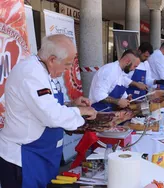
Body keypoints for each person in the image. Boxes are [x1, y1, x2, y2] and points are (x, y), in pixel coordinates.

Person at [0, 34, 97, 188]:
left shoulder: (44, 70)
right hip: (24, 158)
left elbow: (43, 105)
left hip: (42, 155)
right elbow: (51, 116)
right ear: (52, 59)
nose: (67, 70)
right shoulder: (31, 73)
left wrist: (71, 104)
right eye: (66, 65)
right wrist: (81, 111)